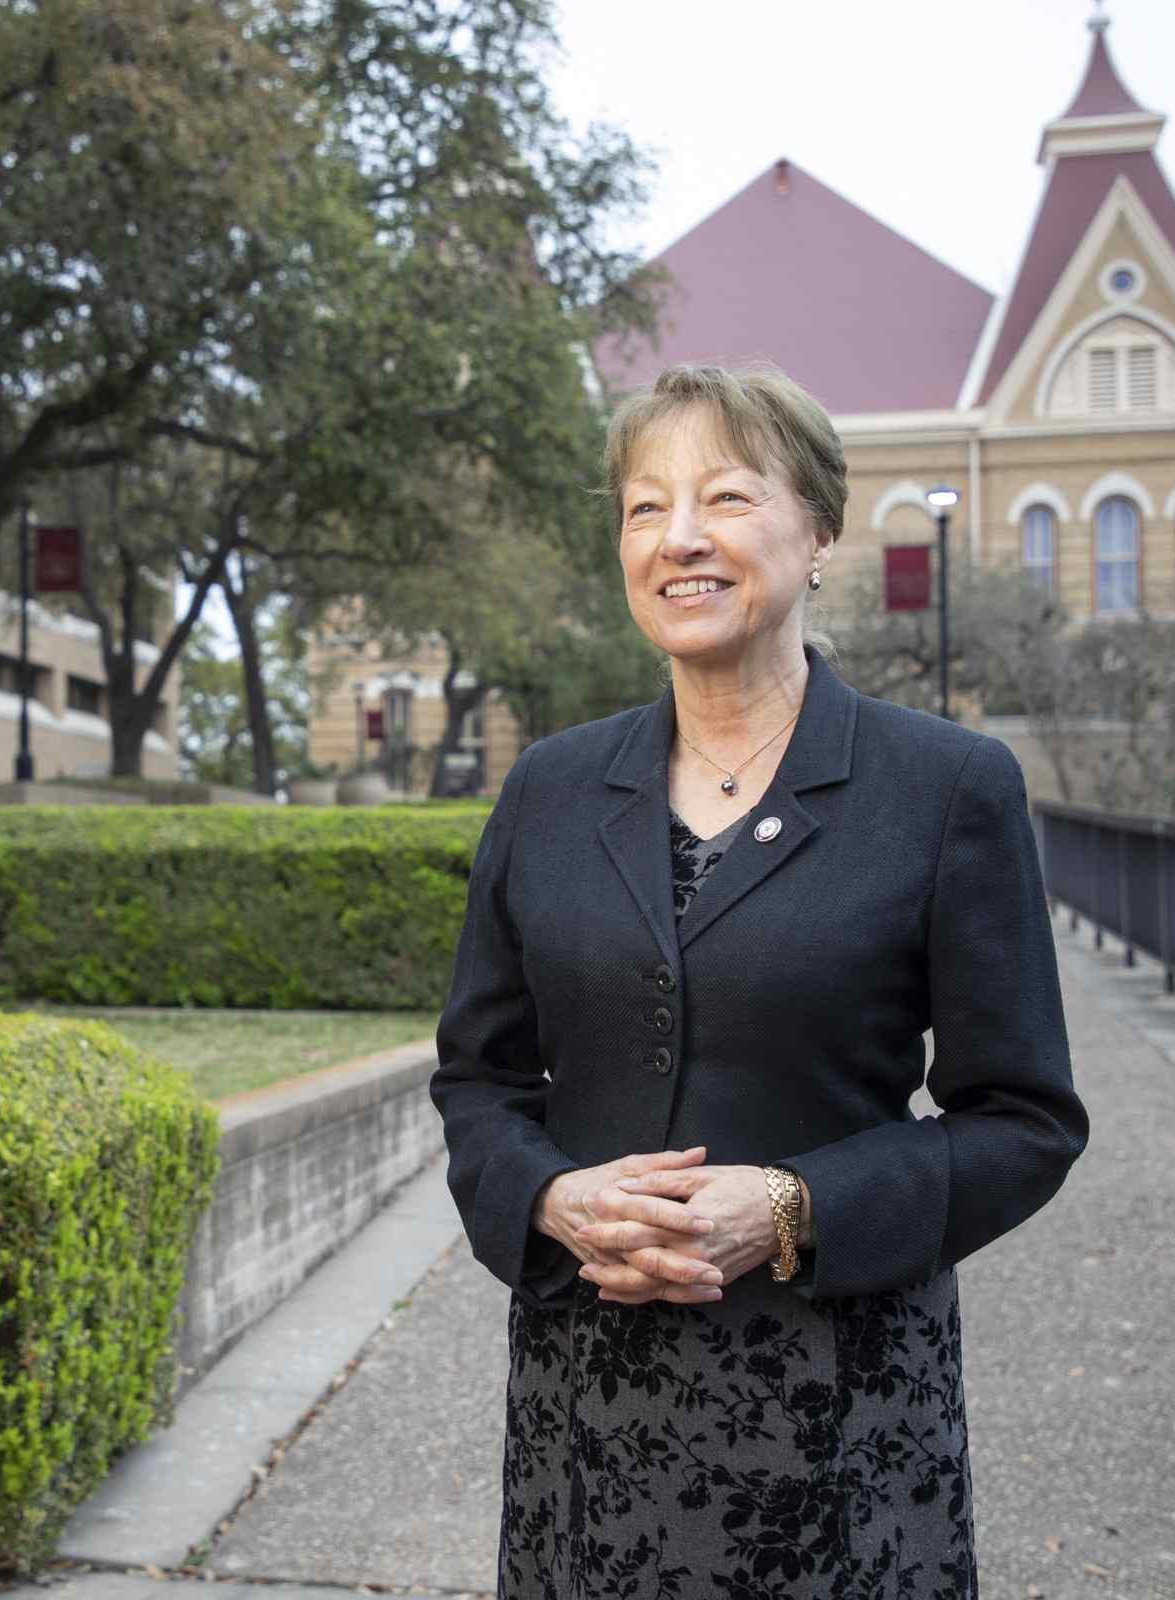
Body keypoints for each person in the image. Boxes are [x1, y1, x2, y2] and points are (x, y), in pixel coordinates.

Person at [431, 362, 1089, 1599]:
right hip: (592, 1417)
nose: (679, 538)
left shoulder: (945, 788)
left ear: (821, 530)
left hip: (842, 1418)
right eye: (643, 507)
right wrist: (551, 1200)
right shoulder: (551, 790)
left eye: (726, 498)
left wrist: (790, 1204)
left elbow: (1027, 1124)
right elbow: (478, 1080)